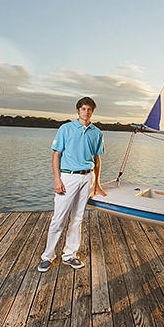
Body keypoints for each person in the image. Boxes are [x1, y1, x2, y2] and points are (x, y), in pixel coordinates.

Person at [37, 97, 107, 272]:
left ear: (92, 111)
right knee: (58, 218)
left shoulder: (96, 132)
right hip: (68, 177)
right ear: (78, 110)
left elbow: (97, 160)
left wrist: (97, 183)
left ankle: (69, 254)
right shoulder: (65, 129)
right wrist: (57, 180)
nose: (86, 112)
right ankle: (48, 256)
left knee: (77, 218)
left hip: (87, 178)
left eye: (89, 109)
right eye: (83, 108)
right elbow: (56, 156)